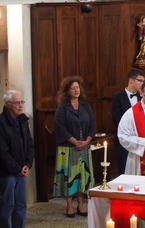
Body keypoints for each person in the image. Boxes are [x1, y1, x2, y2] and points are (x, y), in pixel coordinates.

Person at [53, 76, 95, 218]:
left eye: (77, 87)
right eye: (73, 88)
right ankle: (69, 206)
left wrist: (87, 140)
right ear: (67, 91)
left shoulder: (85, 105)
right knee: (70, 178)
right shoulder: (62, 108)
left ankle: (81, 204)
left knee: (82, 177)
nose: (76, 90)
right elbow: (60, 127)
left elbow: (92, 125)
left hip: (84, 147)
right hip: (68, 148)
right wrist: (74, 141)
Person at [0, 90, 34, 228]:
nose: (20, 105)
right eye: (16, 103)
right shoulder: (1, 122)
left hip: (22, 171)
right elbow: (2, 152)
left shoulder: (23, 121)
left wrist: (27, 165)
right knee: (7, 205)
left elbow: (30, 145)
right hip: (6, 173)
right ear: (8, 104)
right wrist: (17, 169)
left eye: (22, 102)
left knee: (20, 205)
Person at [112, 69, 145, 174]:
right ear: (131, 80)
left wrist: (142, 99)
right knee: (124, 170)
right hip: (125, 140)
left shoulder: (144, 98)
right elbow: (117, 119)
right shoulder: (118, 98)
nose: (142, 84)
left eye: (143, 81)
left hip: (141, 140)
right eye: (139, 81)